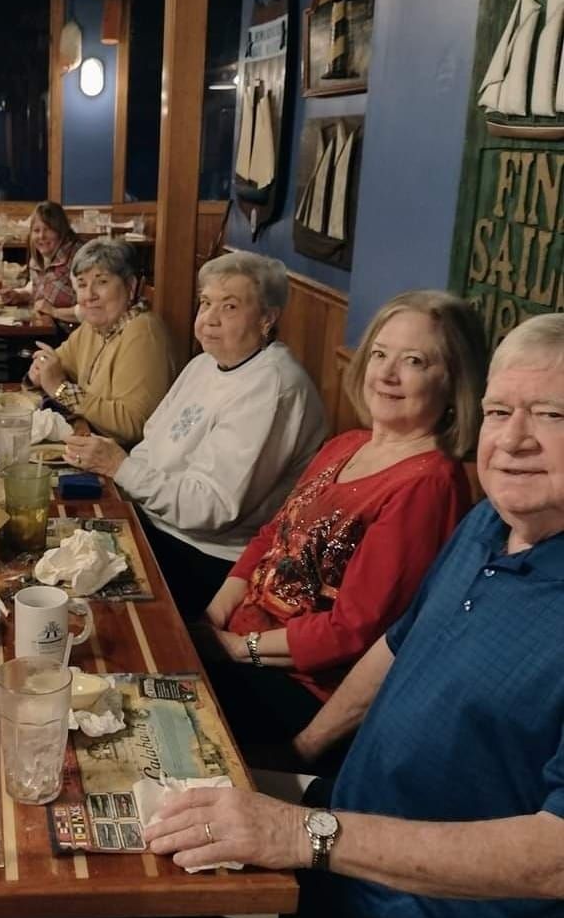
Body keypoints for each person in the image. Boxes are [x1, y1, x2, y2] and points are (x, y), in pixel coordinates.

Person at [69, 312, 564, 918]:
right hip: (370, 862)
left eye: (552, 417)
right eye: (500, 413)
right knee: (152, 832)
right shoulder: (490, 526)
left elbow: (553, 862)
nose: (515, 441)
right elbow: (396, 649)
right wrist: (290, 759)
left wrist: (309, 833)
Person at [200, 289, 487, 759]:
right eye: (379, 354)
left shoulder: (429, 483)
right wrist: (210, 618)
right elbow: (272, 536)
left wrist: (234, 649)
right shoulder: (346, 444)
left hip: (299, 690)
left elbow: (351, 630)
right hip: (241, 642)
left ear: (453, 381)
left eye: (414, 361)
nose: (387, 374)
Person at [65, 253, 326, 610]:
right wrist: (117, 469)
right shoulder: (205, 363)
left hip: (205, 560)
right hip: (154, 525)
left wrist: (120, 468)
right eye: (205, 303)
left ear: (267, 318)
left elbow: (210, 508)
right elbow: (149, 447)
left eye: (230, 306)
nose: (210, 319)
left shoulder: (273, 386)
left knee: (76, 605)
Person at [27, 236, 175, 449]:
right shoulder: (94, 325)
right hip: (89, 442)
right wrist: (40, 367)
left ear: (130, 287)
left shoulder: (143, 331)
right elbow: (57, 363)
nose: (89, 295)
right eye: (82, 284)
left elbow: (133, 424)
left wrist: (60, 390)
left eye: (102, 282)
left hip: (124, 464)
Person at [1, 201, 80, 329]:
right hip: (47, 330)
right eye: (36, 230)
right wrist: (20, 295)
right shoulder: (39, 257)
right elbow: (40, 286)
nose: (41, 236)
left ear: (61, 231)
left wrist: (54, 311)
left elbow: (90, 310)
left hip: (72, 335)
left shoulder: (78, 258)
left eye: (48, 229)